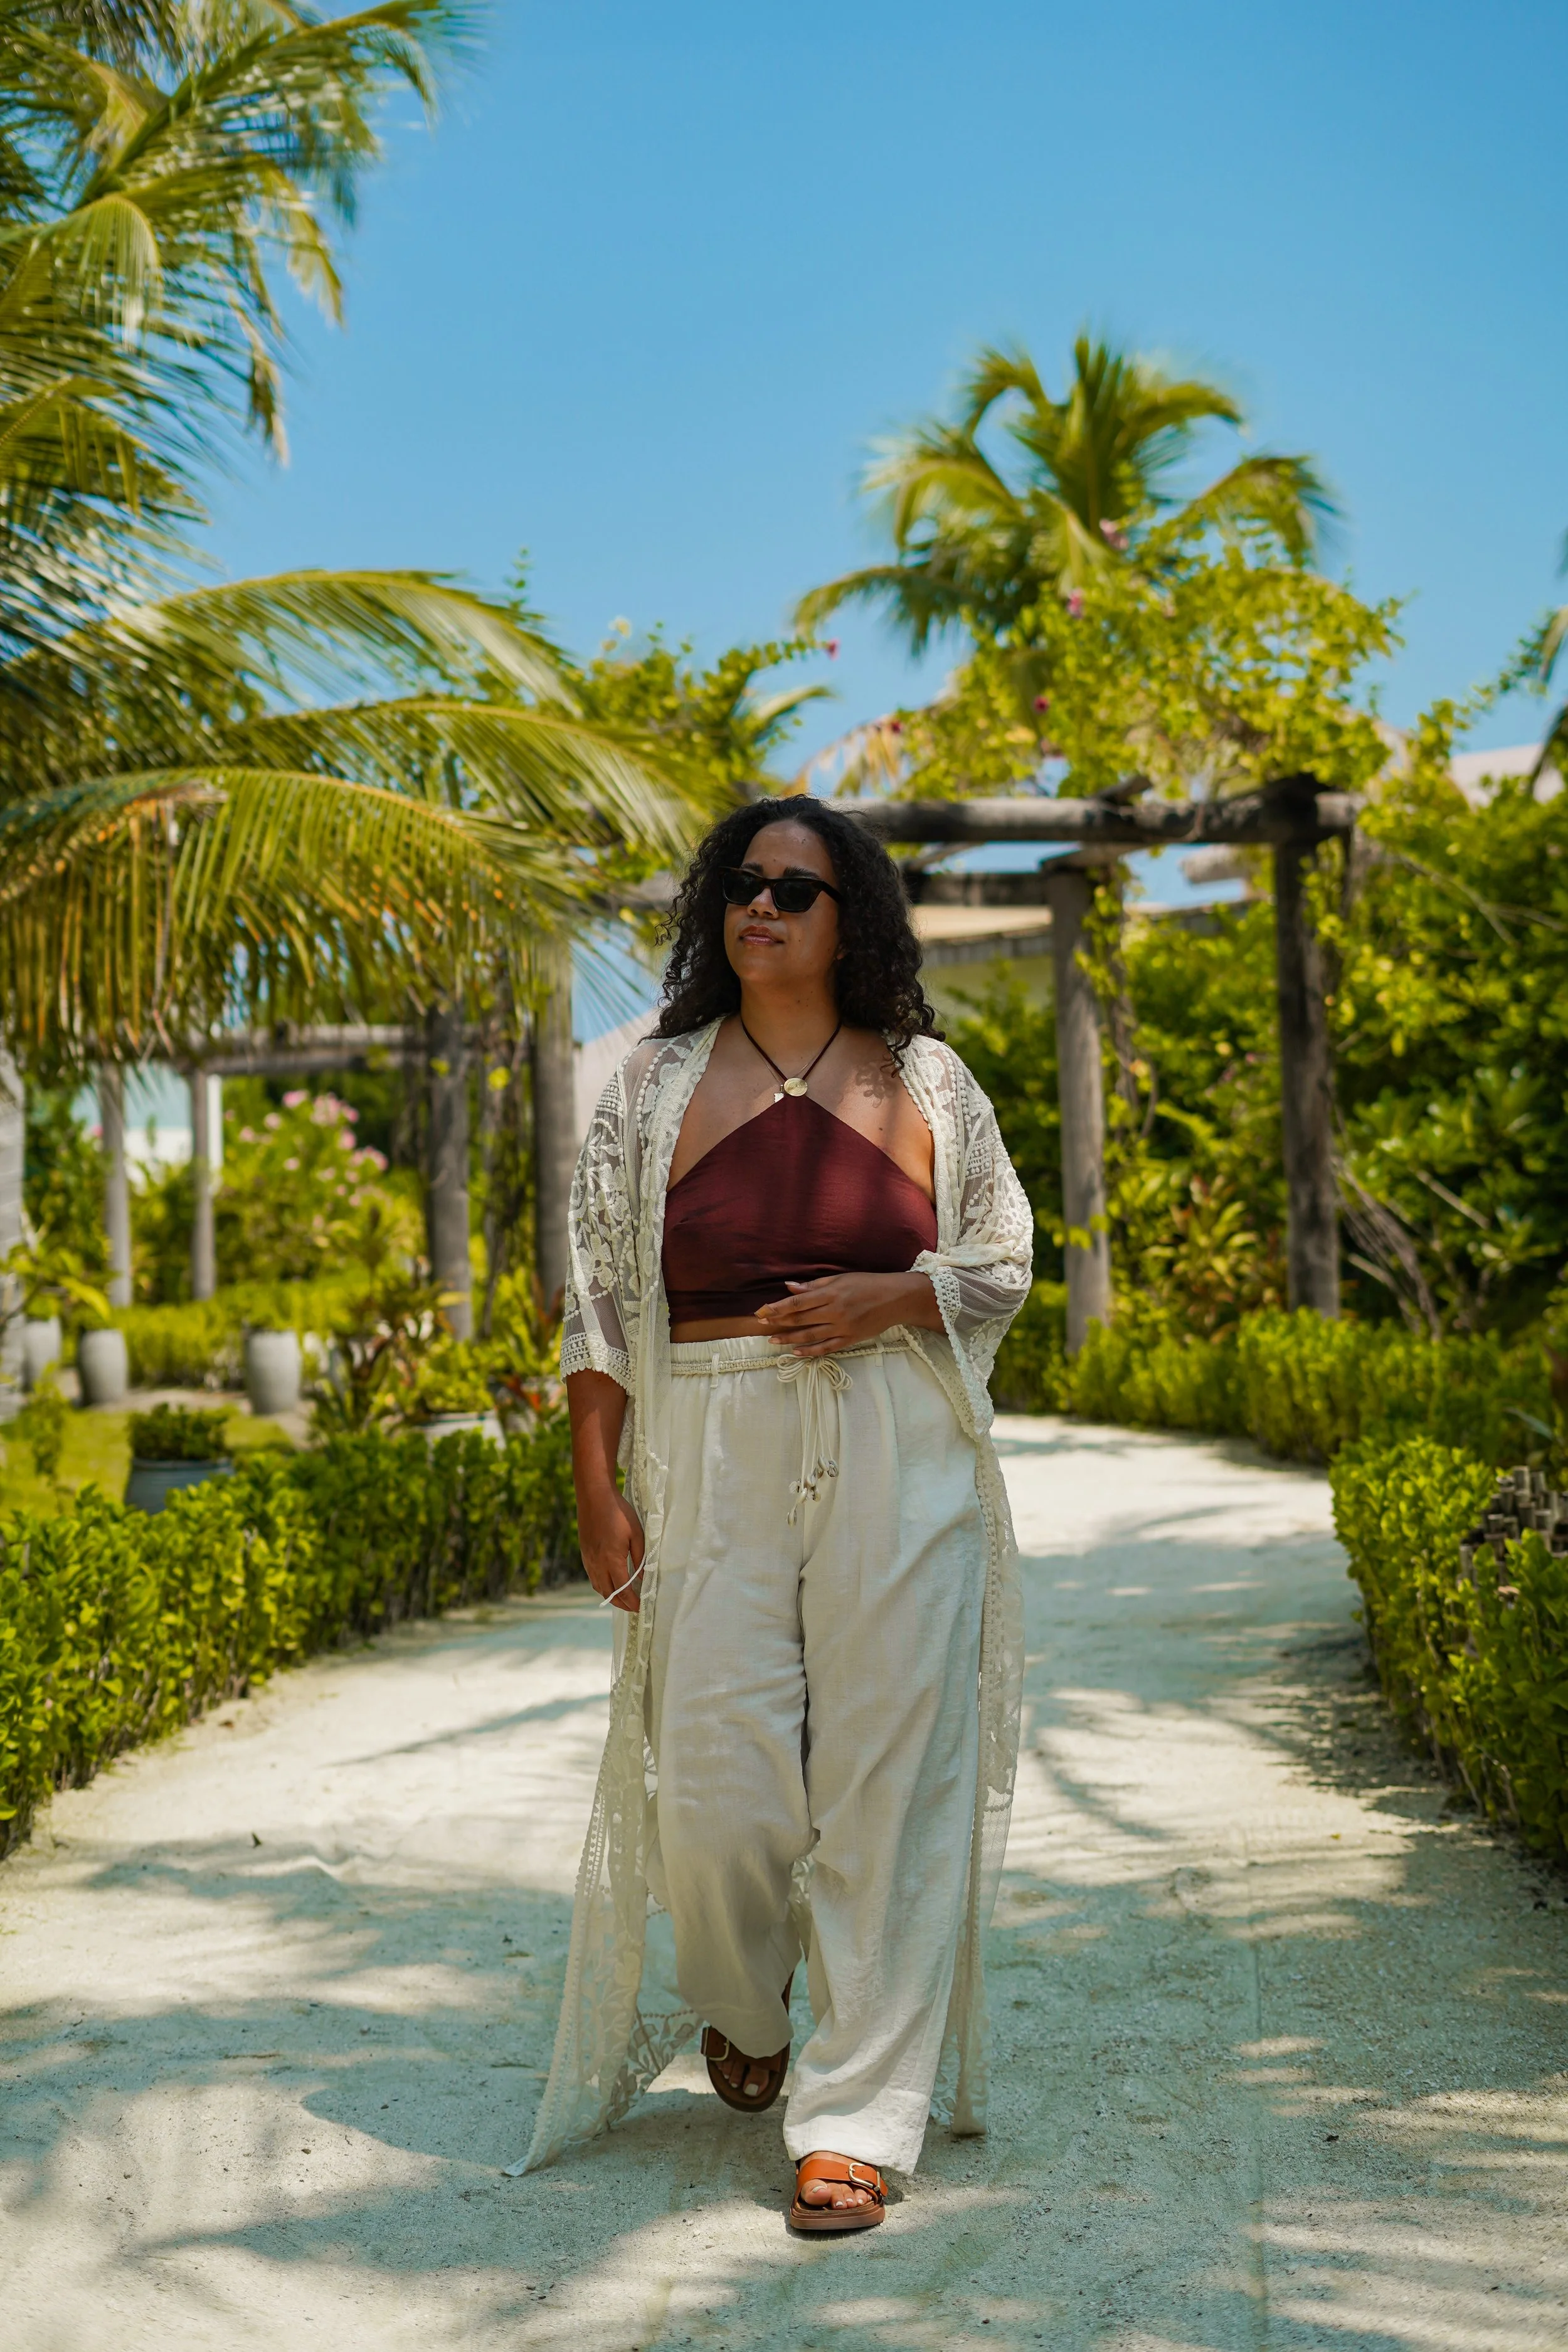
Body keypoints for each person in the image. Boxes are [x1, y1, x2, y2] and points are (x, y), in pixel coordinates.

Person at [519, 797, 1032, 2231]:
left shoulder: (927, 1080)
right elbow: (600, 1300)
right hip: (713, 1442)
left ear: (846, 918)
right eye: (739, 886)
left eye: (793, 891)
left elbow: (1000, 1257)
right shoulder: (649, 1084)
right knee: (718, 1769)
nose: (761, 907)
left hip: (896, 1438)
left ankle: (855, 2120)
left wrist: (896, 1291)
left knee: (889, 1774)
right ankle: (743, 1995)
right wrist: (597, 1486)